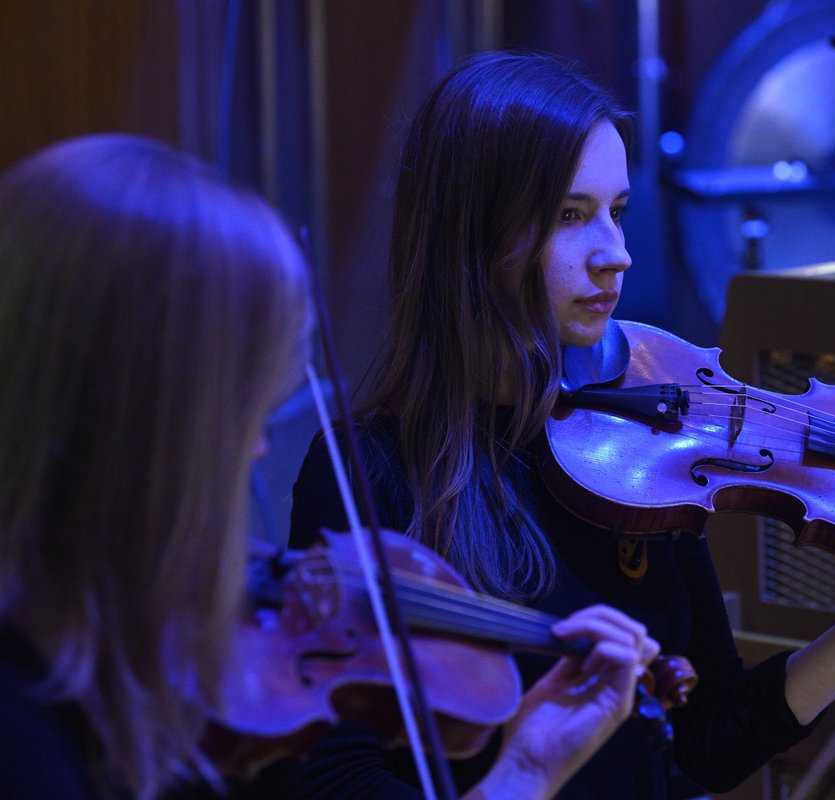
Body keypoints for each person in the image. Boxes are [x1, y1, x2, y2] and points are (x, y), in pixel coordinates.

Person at [289, 51, 835, 798]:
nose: (614, 255)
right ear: (474, 235)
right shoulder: (367, 471)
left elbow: (712, 740)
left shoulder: (636, 450)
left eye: (616, 213)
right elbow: (336, 783)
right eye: (569, 217)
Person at [0, 133, 659, 800]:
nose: (255, 448)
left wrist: (527, 771)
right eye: (241, 415)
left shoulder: (108, 654)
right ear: (131, 419)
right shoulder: (23, 733)